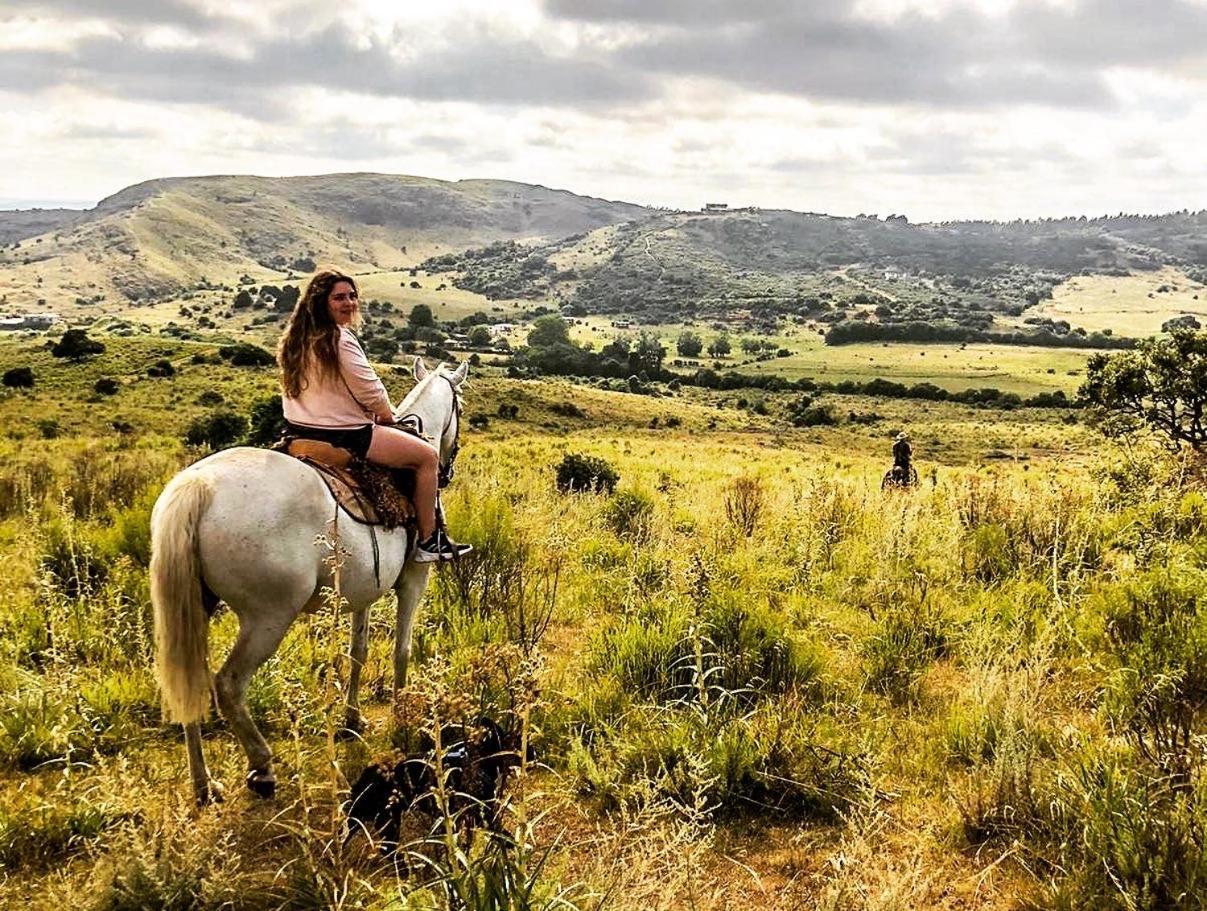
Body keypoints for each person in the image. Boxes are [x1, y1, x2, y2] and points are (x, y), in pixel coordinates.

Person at [276, 270, 470, 562]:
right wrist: (387, 417)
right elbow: (371, 391)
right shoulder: (339, 338)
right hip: (345, 435)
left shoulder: (296, 339)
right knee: (427, 457)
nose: (349, 303)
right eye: (339, 297)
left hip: (297, 434)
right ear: (322, 303)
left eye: (352, 296)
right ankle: (429, 542)